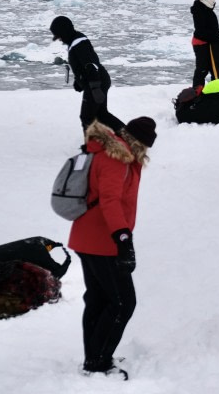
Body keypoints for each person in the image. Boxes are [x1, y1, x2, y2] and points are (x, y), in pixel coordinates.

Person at [68, 116, 157, 380]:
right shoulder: (117, 157)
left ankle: (95, 357)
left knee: (98, 299)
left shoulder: (115, 151)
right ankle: (98, 362)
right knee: (122, 303)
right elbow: (109, 200)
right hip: (101, 241)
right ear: (139, 142)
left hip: (89, 238)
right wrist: (122, 238)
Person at [50, 16, 125, 136]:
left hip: (96, 82)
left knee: (87, 118)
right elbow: (83, 65)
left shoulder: (78, 43)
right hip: (97, 80)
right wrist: (79, 80)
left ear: (64, 31)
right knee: (101, 114)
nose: (58, 39)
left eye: (58, 35)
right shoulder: (76, 40)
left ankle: (91, 149)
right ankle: (130, 137)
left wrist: (95, 88)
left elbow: (91, 64)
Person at [190, 0, 219, 93]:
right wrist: (217, 38)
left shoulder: (205, 8)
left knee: (214, 67)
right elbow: (201, 31)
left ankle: (215, 91)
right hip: (201, 43)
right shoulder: (199, 10)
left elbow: (209, 29)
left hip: (208, 42)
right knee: (202, 69)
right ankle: (197, 93)